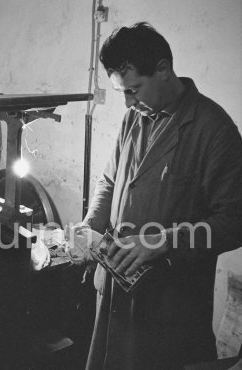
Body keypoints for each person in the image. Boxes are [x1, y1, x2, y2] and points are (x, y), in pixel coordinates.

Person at [81, 22, 242, 369]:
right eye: (122, 91)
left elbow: (235, 221)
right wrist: (90, 225)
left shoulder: (214, 129)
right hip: (115, 291)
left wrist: (165, 241)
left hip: (170, 303)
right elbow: (109, 180)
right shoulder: (133, 119)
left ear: (164, 69)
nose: (127, 102)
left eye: (134, 89)